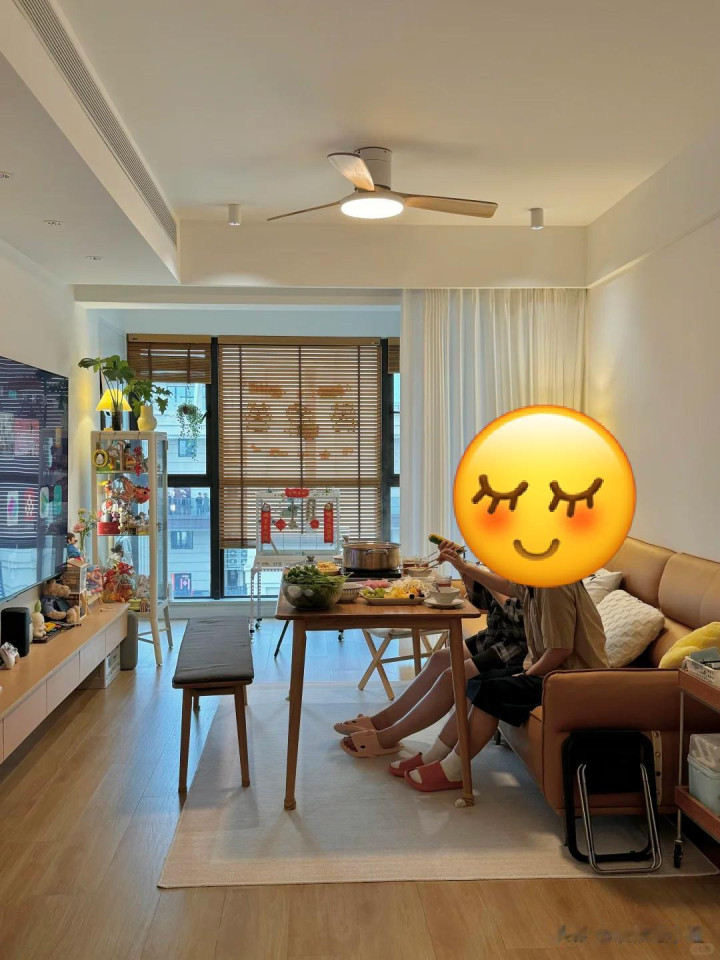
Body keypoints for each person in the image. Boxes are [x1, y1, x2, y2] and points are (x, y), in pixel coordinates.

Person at [401, 542, 608, 793]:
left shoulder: (553, 586)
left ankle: (453, 770)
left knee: (491, 693)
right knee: (475, 683)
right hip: (552, 671)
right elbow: (509, 587)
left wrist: (526, 674)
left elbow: (560, 650)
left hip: (570, 679)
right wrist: (462, 565)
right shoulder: (536, 579)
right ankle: (434, 756)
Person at [336, 541, 528, 773]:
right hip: (495, 637)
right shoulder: (507, 559)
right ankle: (381, 722)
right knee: (439, 658)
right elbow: (481, 601)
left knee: (451, 676)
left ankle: (389, 738)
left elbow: (515, 610)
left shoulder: (539, 567)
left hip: (518, 647)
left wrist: (473, 569)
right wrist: (462, 567)